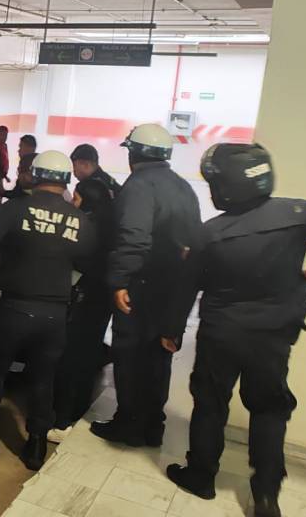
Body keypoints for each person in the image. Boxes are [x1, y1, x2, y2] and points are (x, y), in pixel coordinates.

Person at [165, 144, 306, 517]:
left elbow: (185, 288)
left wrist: (172, 330)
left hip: (221, 334)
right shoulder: (299, 213)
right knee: (269, 409)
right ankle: (266, 496)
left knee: (210, 403)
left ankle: (201, 477)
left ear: (227, 185)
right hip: (274, 335)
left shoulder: (209, 233)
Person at [0, 151, 93, 471]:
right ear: (66, 180)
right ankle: (36, 446)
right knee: (43, 379)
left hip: (12, 307)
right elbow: (88, 263)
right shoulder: (79, 219)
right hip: (54, 314)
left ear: (35, 176)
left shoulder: (15, 208)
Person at [90, 123, 202, 448]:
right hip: (172, 287)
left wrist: (119, 280)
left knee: (129, 355)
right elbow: (193, 240)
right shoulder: (182, 186)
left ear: (134, 153)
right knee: (158, 357)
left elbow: (134, 238)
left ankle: (128, 424)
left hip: (141, 285)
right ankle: (153, 426)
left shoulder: (139, 185)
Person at [50, 178, 116, 442]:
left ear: (88, 201)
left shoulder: (84, 228)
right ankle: (78, 410)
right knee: (88, 357)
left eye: (76, 198)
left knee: (69, 359)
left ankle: (61, 418)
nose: (72, 203)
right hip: (101, 301)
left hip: (81, 299)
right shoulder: (112, 227)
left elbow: (75, 261)